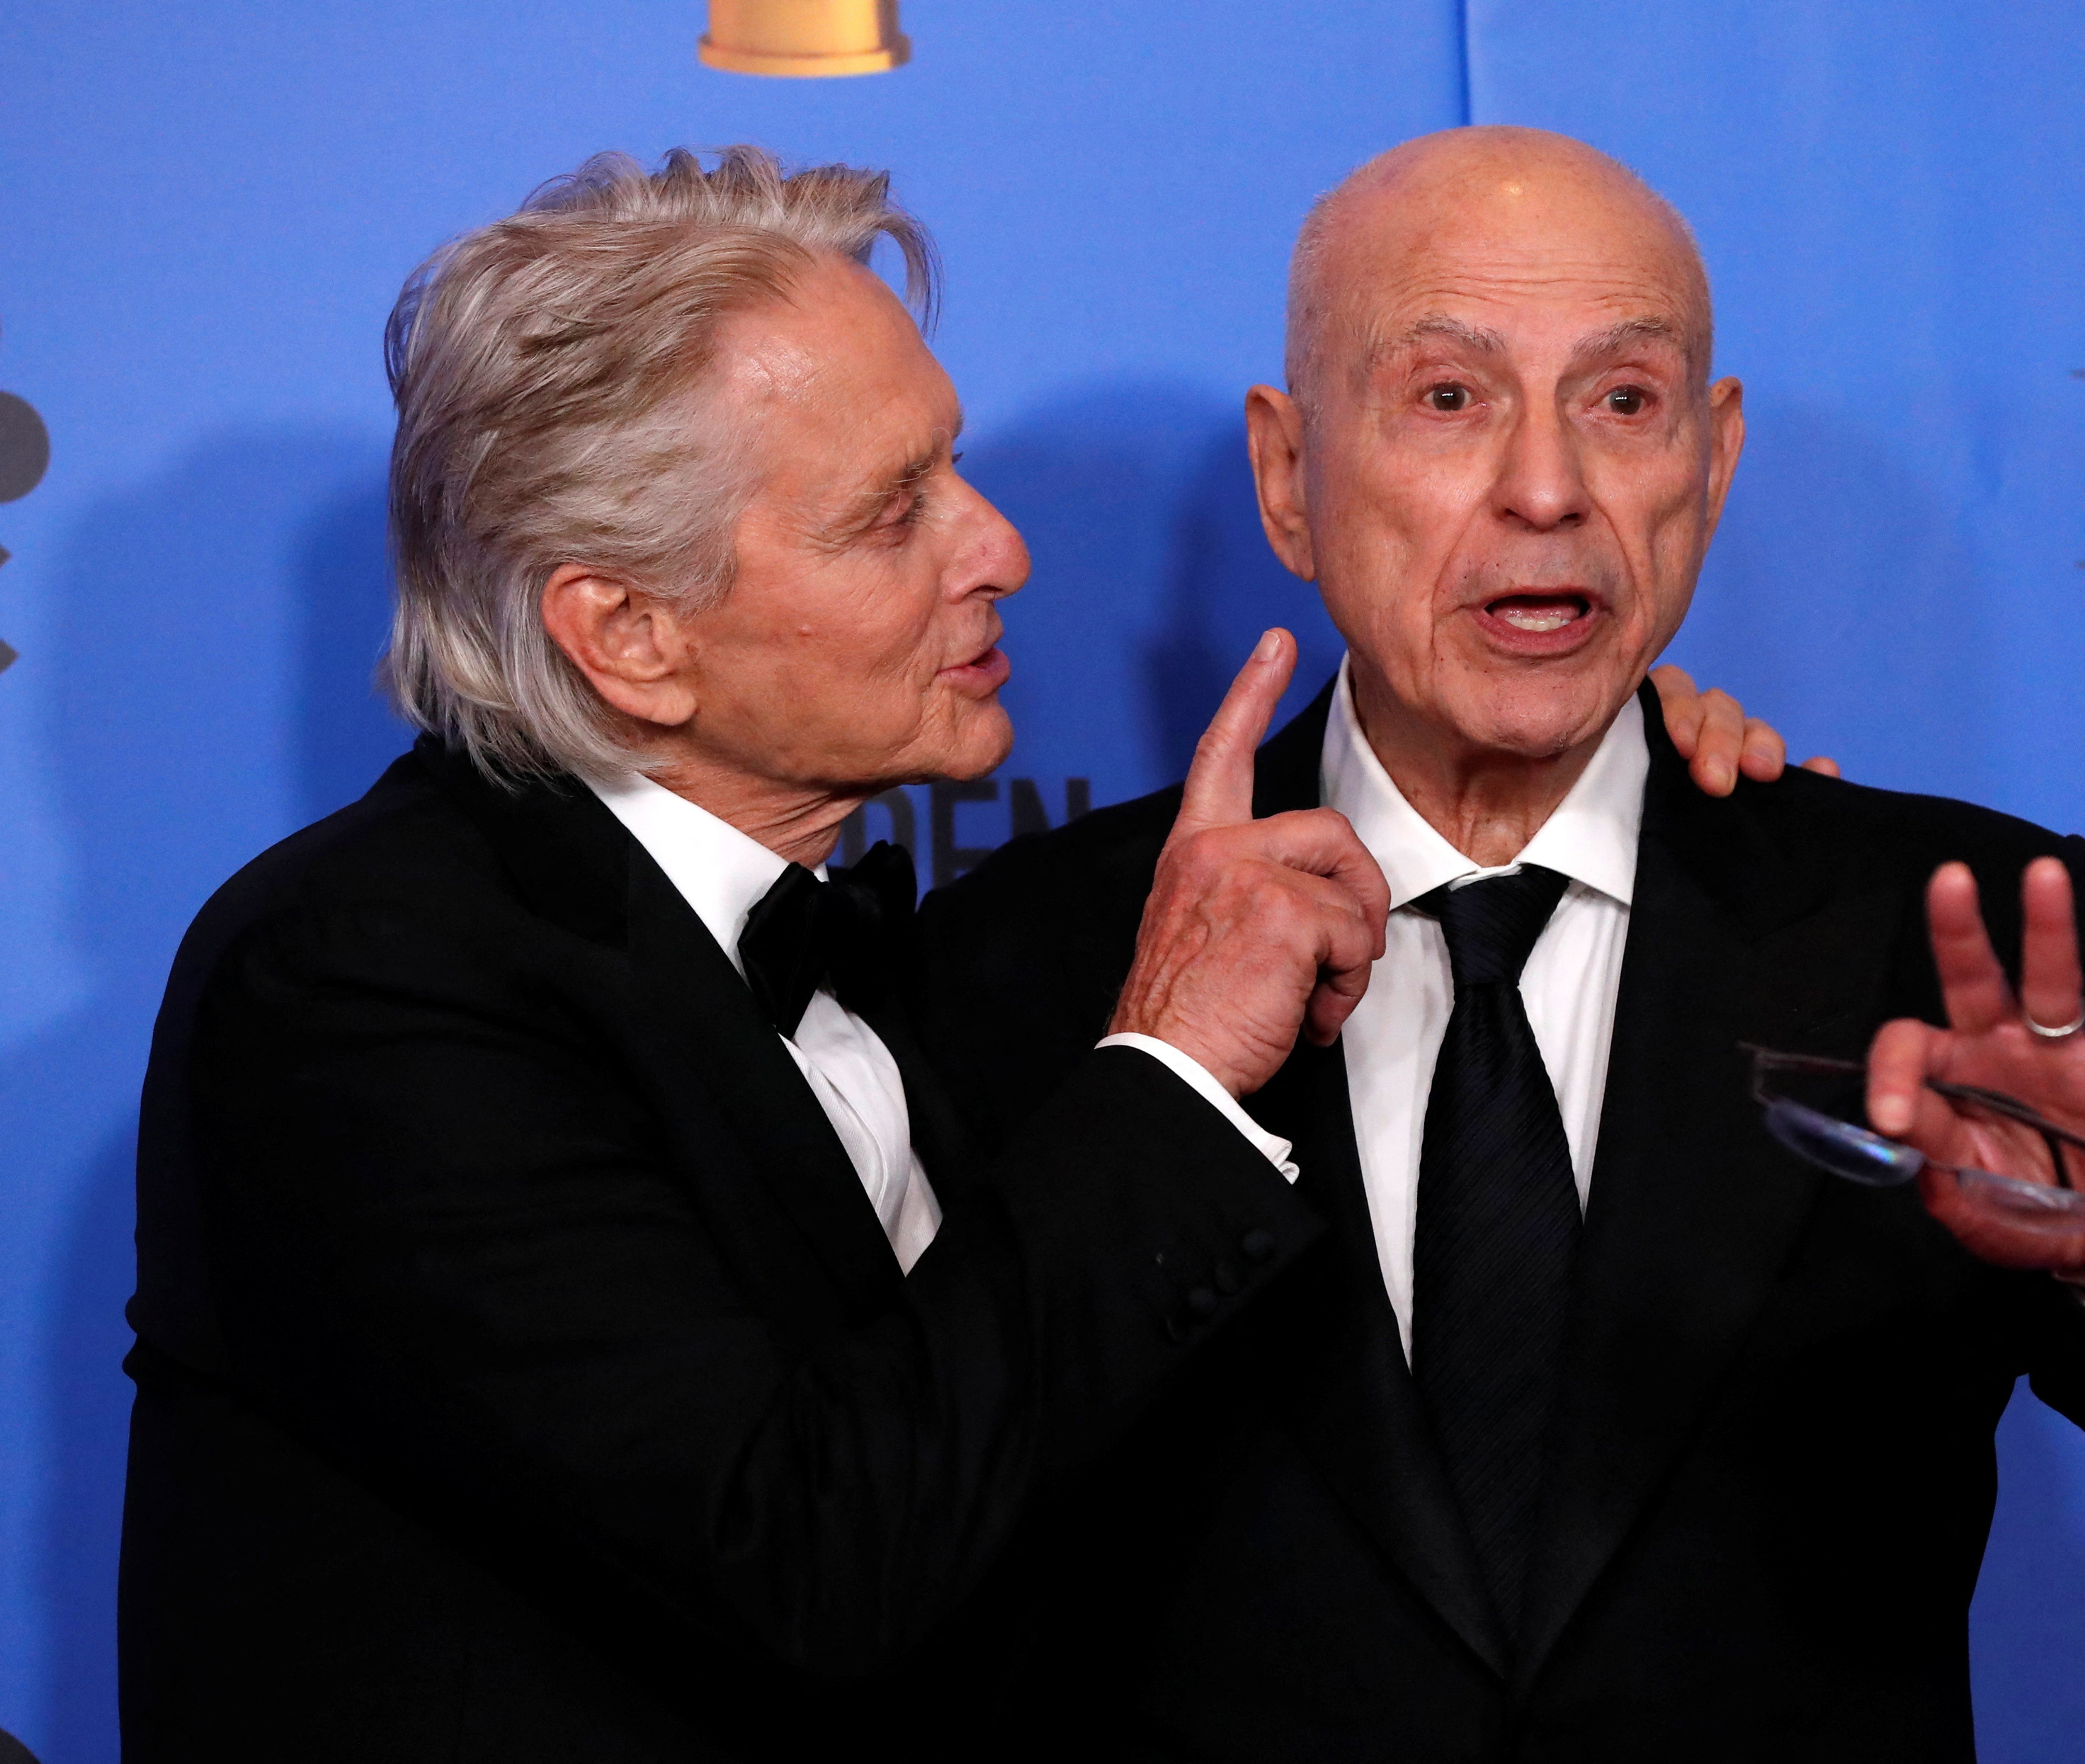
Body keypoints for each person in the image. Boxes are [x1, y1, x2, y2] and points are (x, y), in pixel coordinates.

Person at [915, 127, 2085, 1759]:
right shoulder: (1031, 955)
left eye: (1622, 400)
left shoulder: (1943, 924)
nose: (1547, 488)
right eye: (1448, 396)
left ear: (1713, 454)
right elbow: (899, 1526)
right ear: (1288, 475)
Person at [117, 147, 1431, 1762]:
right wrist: (1170, 1066)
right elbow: (805, 1557)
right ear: (630, 636)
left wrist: (1644, 764)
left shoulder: (875, 951)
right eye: (893, 512)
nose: (1001, 548)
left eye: (955, 467)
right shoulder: (359, 985)